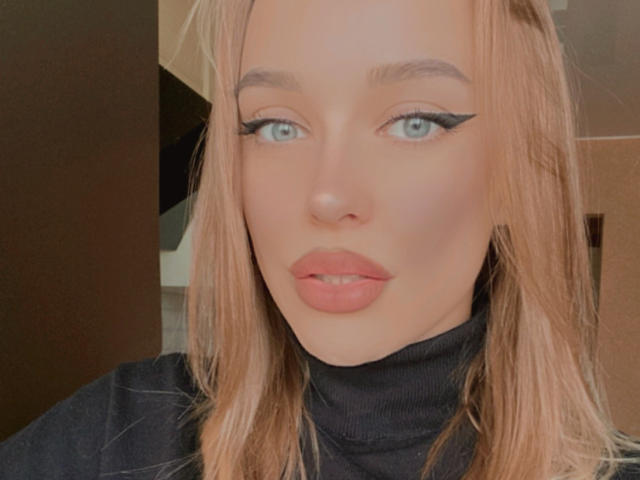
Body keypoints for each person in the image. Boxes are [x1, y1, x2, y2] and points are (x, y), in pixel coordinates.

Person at [1, 0, 640, 479]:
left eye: (415, 122)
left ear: (517, 170)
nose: (328, 196)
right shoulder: (118, 433)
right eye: (276, 126)